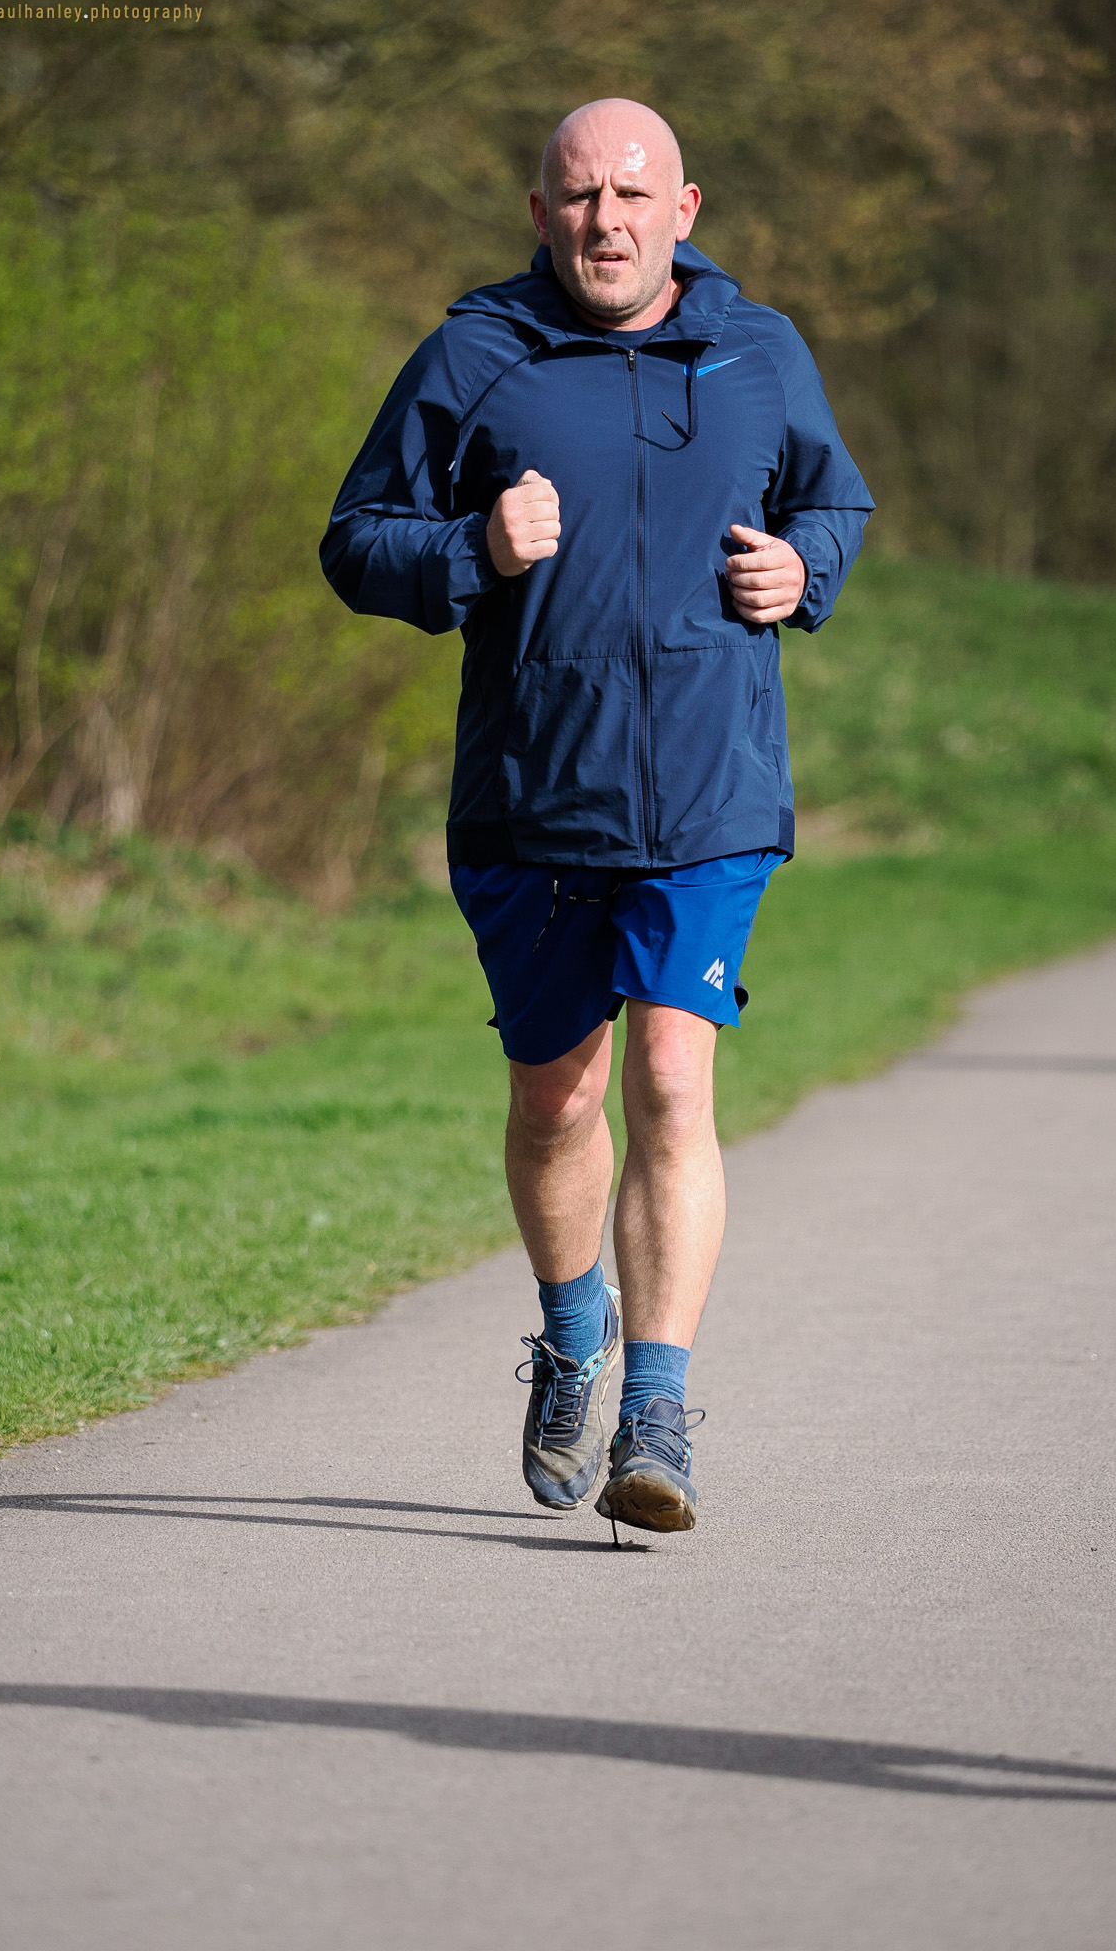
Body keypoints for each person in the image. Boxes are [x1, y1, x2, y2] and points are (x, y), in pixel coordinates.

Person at [321, 98, 872, 1535]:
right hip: (531, 797)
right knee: (557, 1098)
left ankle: (659, 1410)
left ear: (686, 207)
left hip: (708, 790)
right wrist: (469, 547)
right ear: (538, 209)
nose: (605, 221)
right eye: (577, 197)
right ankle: (574, 1338)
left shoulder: (759, 353)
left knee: (674, 1088)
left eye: (632, 193)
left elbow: (838, 505)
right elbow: (354, 539)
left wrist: (800, 570)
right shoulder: (476, 356)